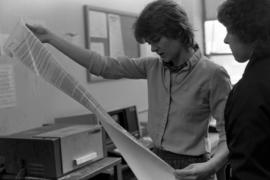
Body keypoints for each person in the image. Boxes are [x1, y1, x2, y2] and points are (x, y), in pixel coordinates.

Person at [28, 0, 231, 179]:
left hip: (193, 167)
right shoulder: (153, 67)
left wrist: (210, 166)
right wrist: (49, 38)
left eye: (156, 40)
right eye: (149, 42)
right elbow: (103, 66)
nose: (152, 48)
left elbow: (228, 137)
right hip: (155, 161)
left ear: (178, 31)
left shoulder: (213, 74)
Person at [217, 0, 270, 179]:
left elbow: (251, 172)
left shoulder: (250, 91)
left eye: (229, 30)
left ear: (248, 30)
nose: (225, 40)